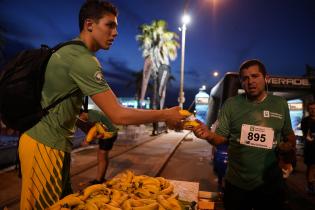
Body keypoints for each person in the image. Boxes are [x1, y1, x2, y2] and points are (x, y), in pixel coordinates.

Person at [18, 1, 184, 209]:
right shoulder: (82, 59)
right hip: (44, 146)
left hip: (48, 144)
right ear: (89, 24)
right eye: (109, 25)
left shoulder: (67, 51)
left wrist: (83, 124)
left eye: (116, 26)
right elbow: (118, 115)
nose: (115, 32)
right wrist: (166, 114)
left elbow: (53, 103)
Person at [190, 59, 296, 210]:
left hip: (270, 184)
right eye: (245, 78)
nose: (250, 81)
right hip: (237, 185)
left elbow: (288, 134)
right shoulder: (231, 104)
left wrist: (289, 146)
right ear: (241, 82)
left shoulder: (280, 104)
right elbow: (220, 138)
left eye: (255, 76)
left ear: (266, 78)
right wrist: (208, 135)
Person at [77, 108, 118, 185]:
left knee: (102, 156)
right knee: (102, 156)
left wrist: (88, 140)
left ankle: (99, 180)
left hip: (108, 135)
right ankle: (100, 178)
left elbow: (102, 129)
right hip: (105, 135)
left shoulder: (92, 115)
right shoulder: (83, 117)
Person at [301, 101, 315, 194]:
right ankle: (310, 186)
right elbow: (306, 135)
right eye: (311, 109)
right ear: (308, 110)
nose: (313, 110)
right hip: (310, 148)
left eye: (314, 109)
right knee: (311, 167)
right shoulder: (305, 121)